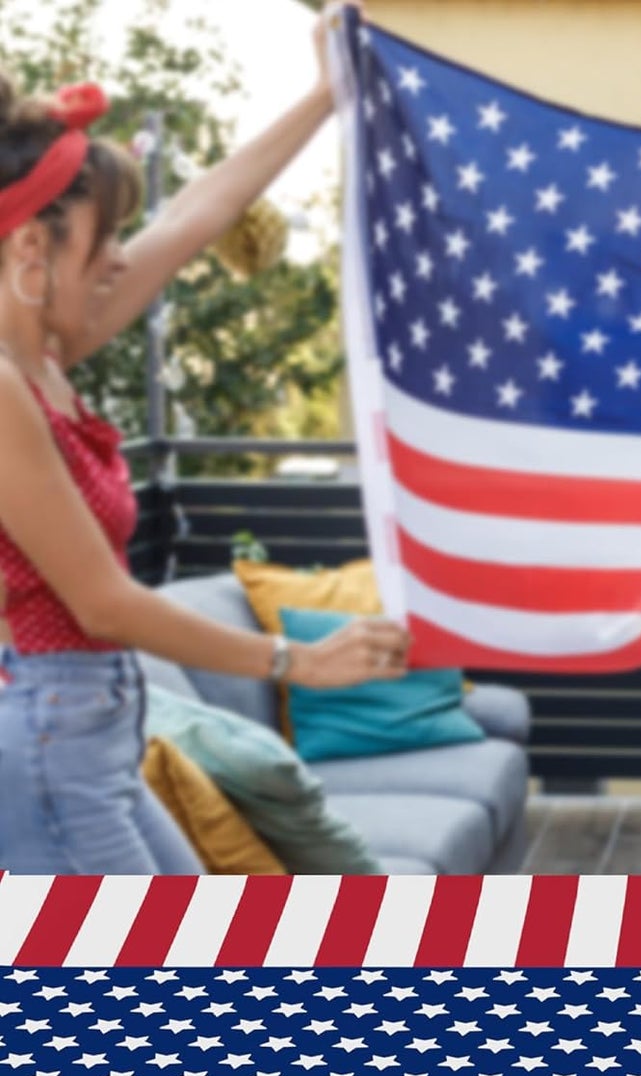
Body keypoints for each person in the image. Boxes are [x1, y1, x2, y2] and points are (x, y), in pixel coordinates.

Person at [0, 0, 409, 875]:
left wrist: (324, 94)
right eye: (103, 240)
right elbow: (102, 601)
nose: (119, 258)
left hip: (93, 727)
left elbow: (195, 216)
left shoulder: (50, 352)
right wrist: (294, 658)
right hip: (42, 739)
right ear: (33, 246)